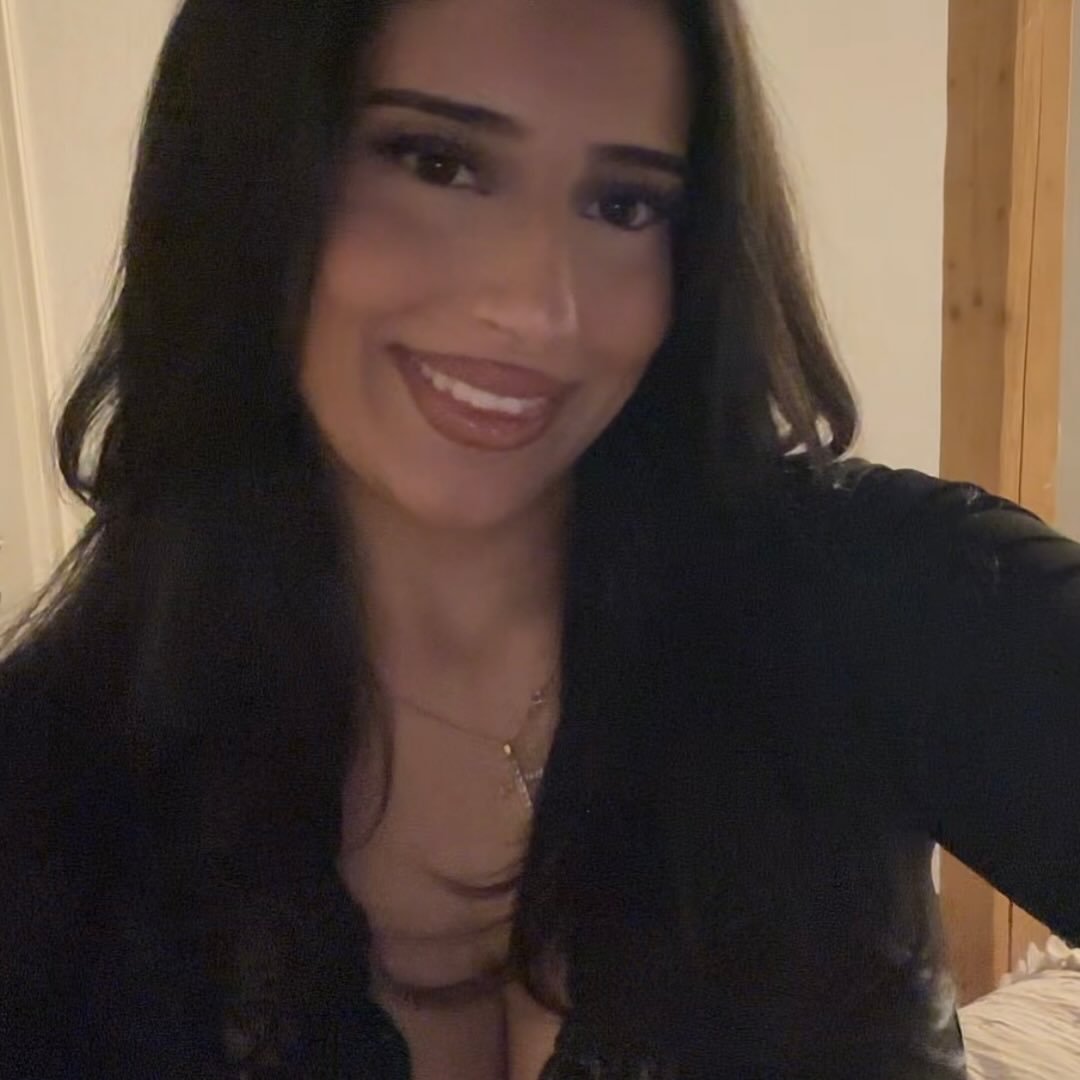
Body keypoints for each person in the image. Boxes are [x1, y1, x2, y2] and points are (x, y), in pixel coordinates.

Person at [0, 0, 1076, 1076]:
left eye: (623, 203)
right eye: (437, 163)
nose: (540, 308)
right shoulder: (51, 782)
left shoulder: (877, 594)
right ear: (248, 170)